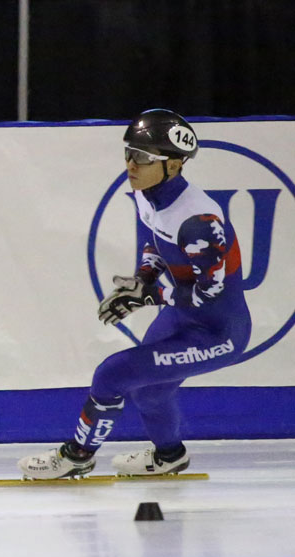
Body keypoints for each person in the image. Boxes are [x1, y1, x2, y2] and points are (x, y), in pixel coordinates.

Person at [18, 109, 251, 479]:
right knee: (149, 392)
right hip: (185, 318)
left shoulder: (199, 222)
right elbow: (155, 245)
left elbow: (208, 294)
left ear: (173, 166)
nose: (131, 164)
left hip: (219, 332)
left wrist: (153, 295)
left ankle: (78, 456)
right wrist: (144, 279)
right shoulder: (147, 193)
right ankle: (170, 455)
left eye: (142, 157)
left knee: (113, 374)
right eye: (128, 153)